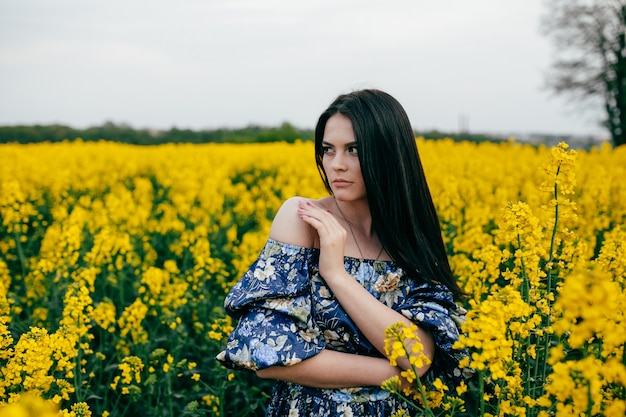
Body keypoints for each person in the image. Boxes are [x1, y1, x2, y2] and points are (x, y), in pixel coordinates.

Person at [217, 89, 469, 416]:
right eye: (327, 150)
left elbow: (416, 355)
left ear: (389, 153)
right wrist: (398, 375)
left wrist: (337, 275)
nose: (336, 165)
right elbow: (267, 355)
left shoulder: (411, 237)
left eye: (354, 149)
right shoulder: (302, 219)